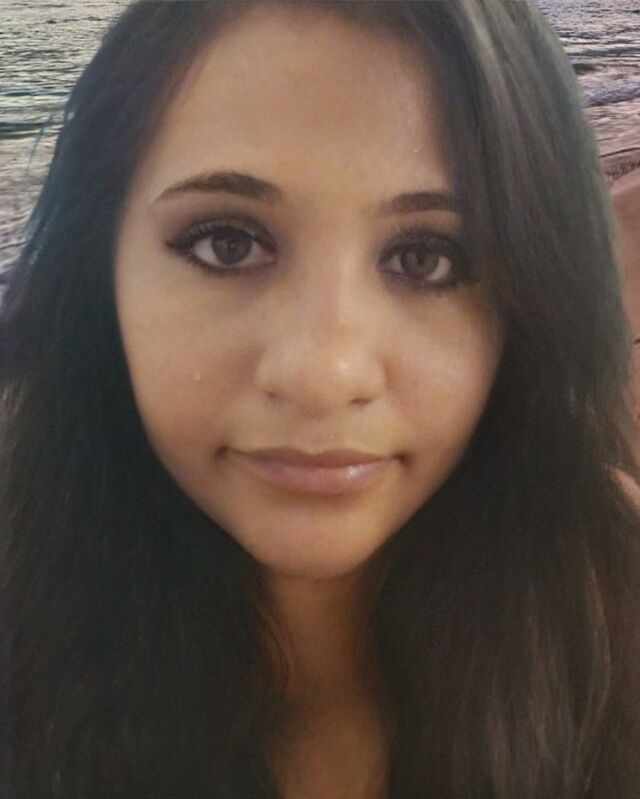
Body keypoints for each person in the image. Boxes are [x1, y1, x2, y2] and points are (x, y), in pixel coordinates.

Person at [1, 1, 639, 796]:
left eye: (427, 258)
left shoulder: (614, 610)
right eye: (227, 243)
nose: (323, 375)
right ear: (99, 272)